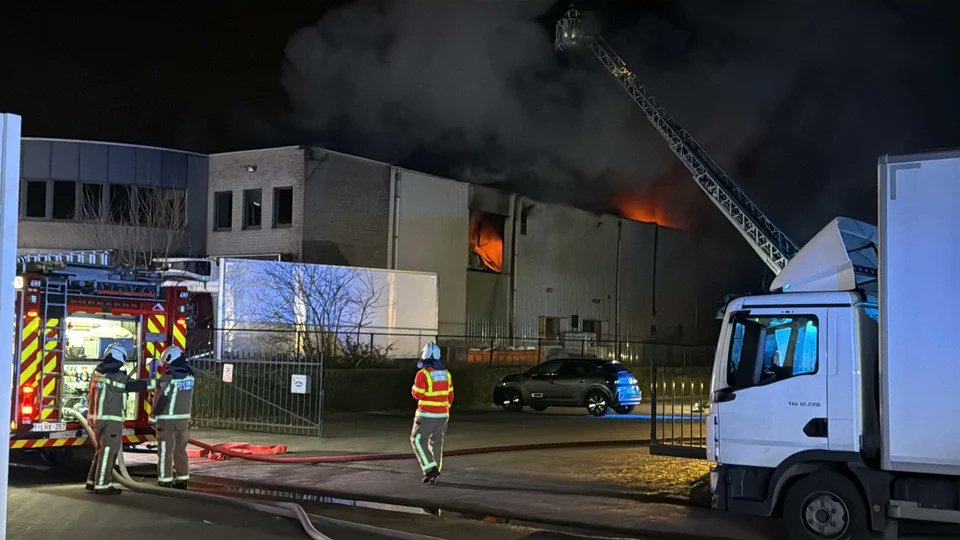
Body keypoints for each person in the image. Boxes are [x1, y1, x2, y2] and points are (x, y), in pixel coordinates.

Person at [86, 343, 152, 495]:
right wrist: (155, 383)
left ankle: (92, 481)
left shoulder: (98, 372)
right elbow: (131, 386)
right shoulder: (115, 376)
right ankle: (102, 484)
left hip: (97, 419)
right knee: (108, 451)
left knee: (101, 451)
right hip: (110, 421)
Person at [151, 346, 195, 489]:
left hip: (167, 420)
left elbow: (161, 398)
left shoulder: (168, 376)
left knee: (165, 451)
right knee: (180, 450)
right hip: (183, 420)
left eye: (166, 363)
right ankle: (182, 479)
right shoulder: (190, 375)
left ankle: (165, 480)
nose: (165, 365)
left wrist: (153, 417)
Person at [410, 342, 454, 484]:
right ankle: (435, 473)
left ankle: (430, 469)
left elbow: (418, 394)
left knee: (417, 440)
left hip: (426, 415)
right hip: (443, 415)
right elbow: (450, 396)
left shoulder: (422, 374)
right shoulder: (447, 374)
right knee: (436, 443)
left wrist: (413, 387)